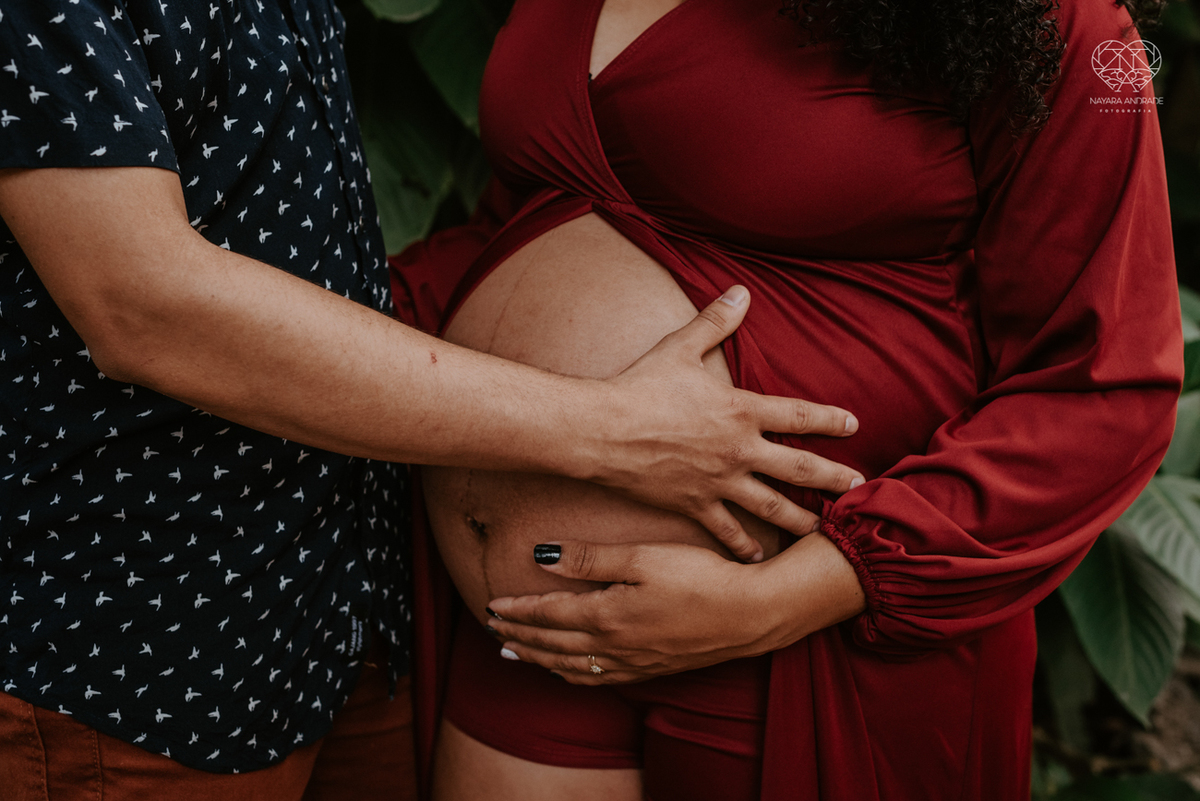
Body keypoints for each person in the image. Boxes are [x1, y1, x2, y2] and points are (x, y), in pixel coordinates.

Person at [0, 2, 862, 799]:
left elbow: (286, 217)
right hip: (146, 639)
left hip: (349, 607)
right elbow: (141, 305)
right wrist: (615, 430)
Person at [390, 0, 1183, 799]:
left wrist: (776, 601)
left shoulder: (1056, 16)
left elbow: (1101, 389)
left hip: (799, 642)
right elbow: (533, 216)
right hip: (528, 644)